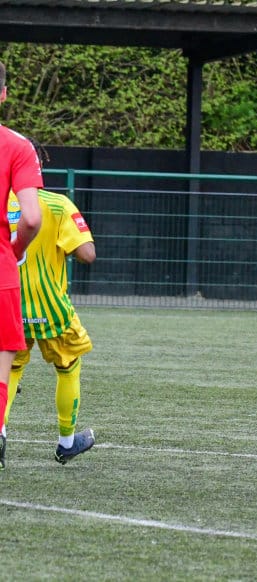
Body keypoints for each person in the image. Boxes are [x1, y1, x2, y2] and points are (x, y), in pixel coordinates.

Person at [5, 141, 97, 466]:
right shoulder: (57, 205)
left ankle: (0, 433)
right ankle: (66, 443)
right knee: (68, 365)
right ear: (39, 165)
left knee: (9, 371)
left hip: (10, 304)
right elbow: (87, 254)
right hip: (51, 309)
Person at [0, 60, 44, 470]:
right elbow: (31, 218)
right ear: (3, 94)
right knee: (2, 359)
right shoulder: (18, 146)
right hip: (1, 271)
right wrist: (13, 251)